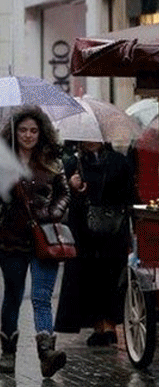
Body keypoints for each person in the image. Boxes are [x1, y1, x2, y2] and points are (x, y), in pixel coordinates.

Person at [0, 107, 70, 377]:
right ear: (14, 132)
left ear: (41, 132)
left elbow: (64, 193)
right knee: (13, 295)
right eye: (23, 130)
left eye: (33, 130)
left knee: (42, 297)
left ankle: (46, 353)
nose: (28, 135)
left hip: (45, 239)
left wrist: (55, 212)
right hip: (11, 240)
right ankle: (8, 351)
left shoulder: (52, 161)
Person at [55, 140, 134, 345]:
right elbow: (63, 198)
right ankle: (99, 327)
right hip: (85, 233)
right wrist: (74, 188)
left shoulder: (119, 161)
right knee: (90, 277)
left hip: (113, 230)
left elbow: (128, 194)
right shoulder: (73, 163)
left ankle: (110, 325)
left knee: (112, 276)